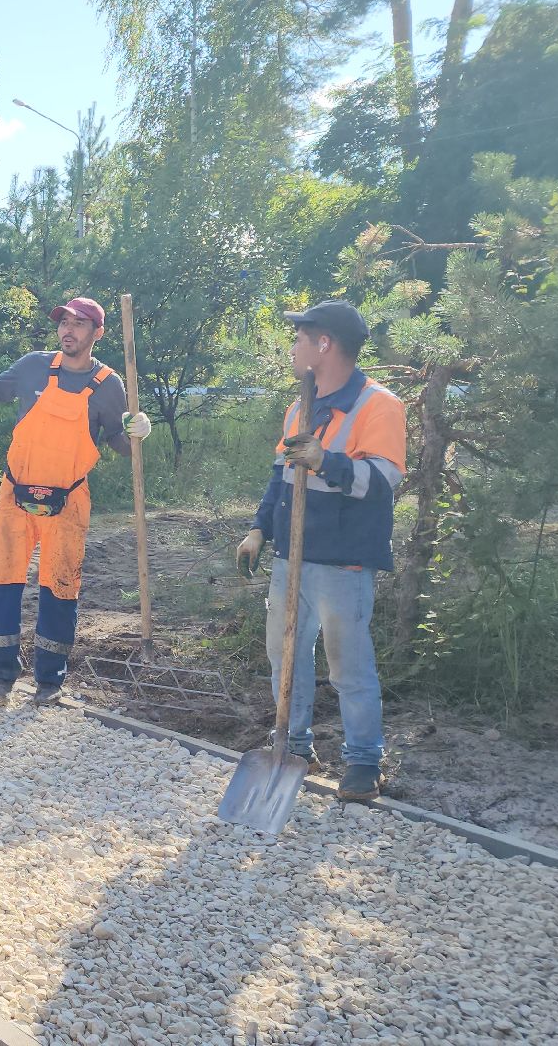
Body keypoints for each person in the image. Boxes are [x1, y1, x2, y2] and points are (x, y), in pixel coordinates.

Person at [235, 299, 406, 801]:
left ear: (324, 344)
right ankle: (292, 745)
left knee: (347, 667)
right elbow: (280, 477)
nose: (293, 348)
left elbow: (383, 482)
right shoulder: (300, 406)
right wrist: (258, 529)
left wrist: (325, 460)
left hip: (342, 564)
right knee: (283, 659)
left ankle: (362, 763)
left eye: (299, 338)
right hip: (291, 557)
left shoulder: (379, 405)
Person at [0, 296, 152, 704]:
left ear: (98, 333)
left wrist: (137, 433)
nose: (68, 329)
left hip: (69, 501)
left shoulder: (109, 385)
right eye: (64, 322)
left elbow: (118, 441)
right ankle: (1, 676)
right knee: (3, 582)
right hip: (15, 495)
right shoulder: (33, 366)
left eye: (79, 323)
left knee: (60, 587)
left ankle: (49, 681)